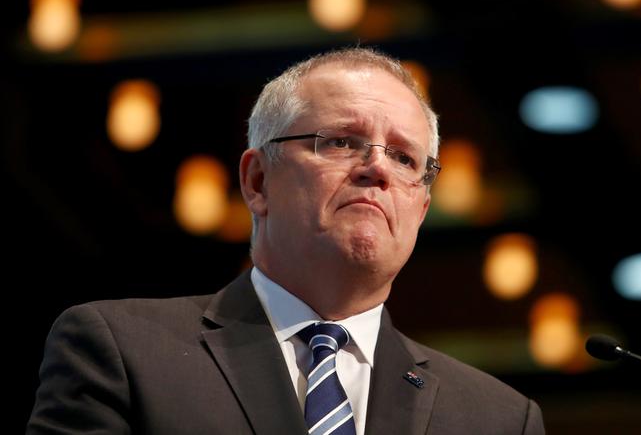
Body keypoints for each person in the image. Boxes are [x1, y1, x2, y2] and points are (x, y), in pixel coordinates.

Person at [27, 47, 545, 434]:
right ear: (257, 182)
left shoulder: (498, 418)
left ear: (421, 208)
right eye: (342, 141)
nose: (377, 169)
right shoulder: (123, 351)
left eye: (405, 158)